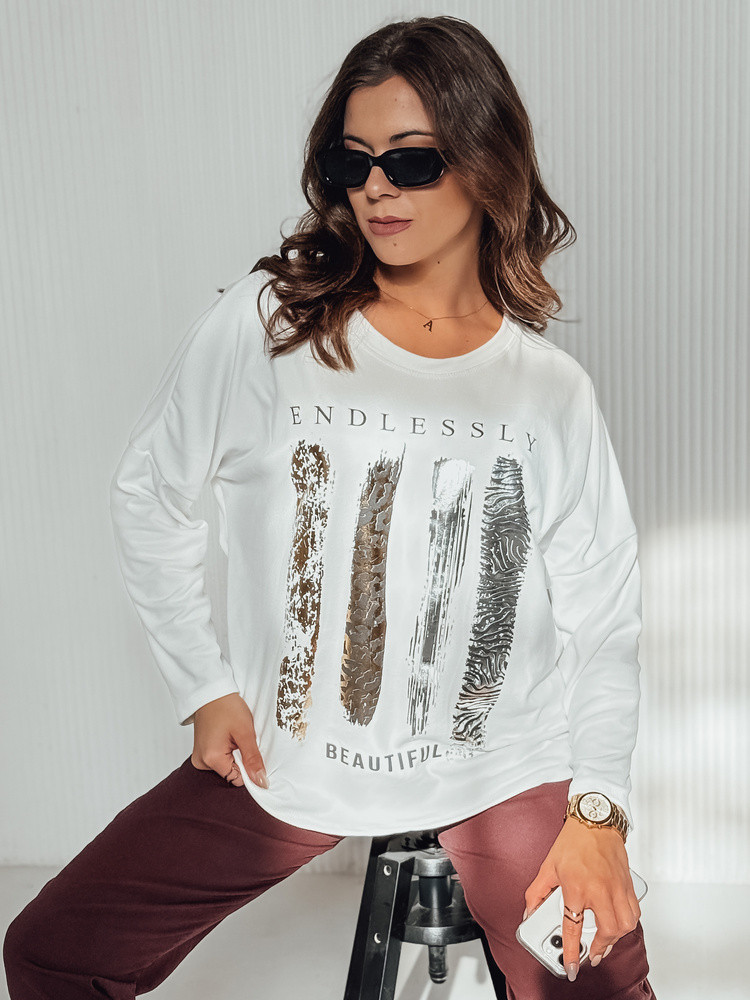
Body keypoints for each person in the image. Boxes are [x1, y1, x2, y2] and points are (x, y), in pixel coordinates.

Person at [3, 15, 656, 1000]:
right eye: (354, 162)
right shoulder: (273, 324)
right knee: (53, 950)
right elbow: (150, 491)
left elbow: (606, 618)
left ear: (485, 161)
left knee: (601, 986)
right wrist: (204, 685)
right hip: (289, 763)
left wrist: (598, 812)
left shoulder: (547, 389)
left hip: (502, 766)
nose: (377, 187)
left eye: (412, 160)